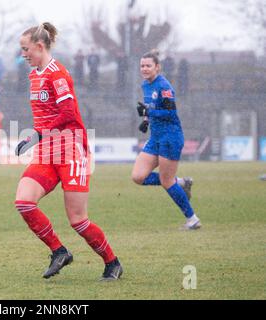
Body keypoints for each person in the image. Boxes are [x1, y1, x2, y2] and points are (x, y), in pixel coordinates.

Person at [15, 22, 122, 281]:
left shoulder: (58, 74)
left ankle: (112, 263)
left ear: (40, 46)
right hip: (47, 152)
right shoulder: (34, 75)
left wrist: (39, 133)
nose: (23, 54)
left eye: (26, 49)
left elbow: (69, 113)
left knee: (78, 220)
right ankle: (59, 251)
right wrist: (38, 135)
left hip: (71, 150)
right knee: (24, 203)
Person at [132, 50, 201, 231]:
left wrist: (150, 113)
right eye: (142, 65)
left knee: (166, 181)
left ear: (157, 67)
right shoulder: (145, 85)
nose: (144, 69)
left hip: (170, 136)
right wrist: (146, 121)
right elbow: (150, 108)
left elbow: (171, 113)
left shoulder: (164, 86)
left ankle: (192, 219)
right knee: (138, 176)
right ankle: (181, 182)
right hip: (156, 137)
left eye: (148, 65)